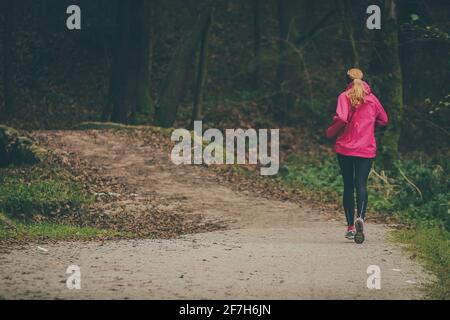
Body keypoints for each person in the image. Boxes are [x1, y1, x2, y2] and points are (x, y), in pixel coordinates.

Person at [326, 68, 388, 244]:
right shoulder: (372, 99)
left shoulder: (343, 96)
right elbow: (384, 120)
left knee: (348, 185)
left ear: (347, 80)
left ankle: (351, 228)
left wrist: (333, 127)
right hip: (366, 148)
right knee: (361, 184)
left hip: (345, 148)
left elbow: (342, 117)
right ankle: (361, 217)